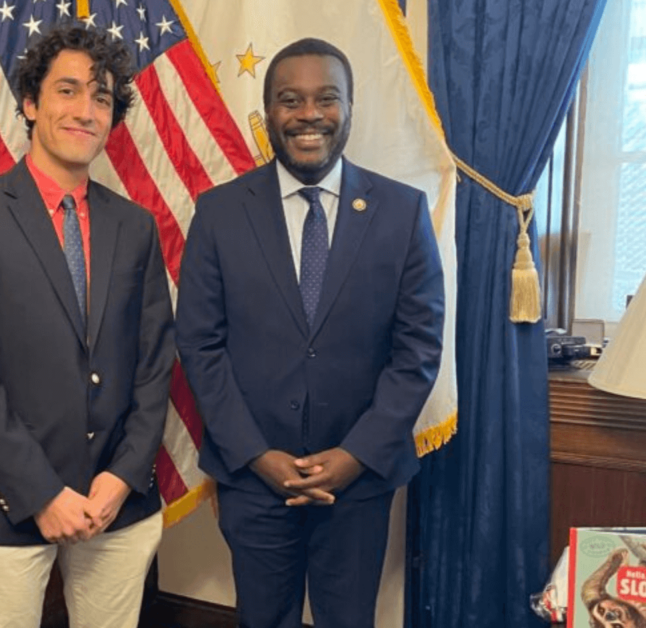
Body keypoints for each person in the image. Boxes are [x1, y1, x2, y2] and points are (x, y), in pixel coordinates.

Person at [175, 37, 445, 628]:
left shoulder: (402, 211)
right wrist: (256, 455)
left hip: (360, 479)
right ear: (268, 112)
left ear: (349, 107)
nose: (308, 115)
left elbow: (418, 348)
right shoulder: (219, 213)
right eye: (289, 99)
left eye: (327, 98)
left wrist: (354, 455)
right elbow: (199, 344)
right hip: (253, 478)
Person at [0, 25, 175, 628]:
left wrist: (122, 475)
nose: (85, 111)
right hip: (6, 503)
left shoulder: (135, 227)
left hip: (116, 503)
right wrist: (40, 493)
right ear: (32, 103)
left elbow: (154, 361)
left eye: (102, 98)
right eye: (68, 91)